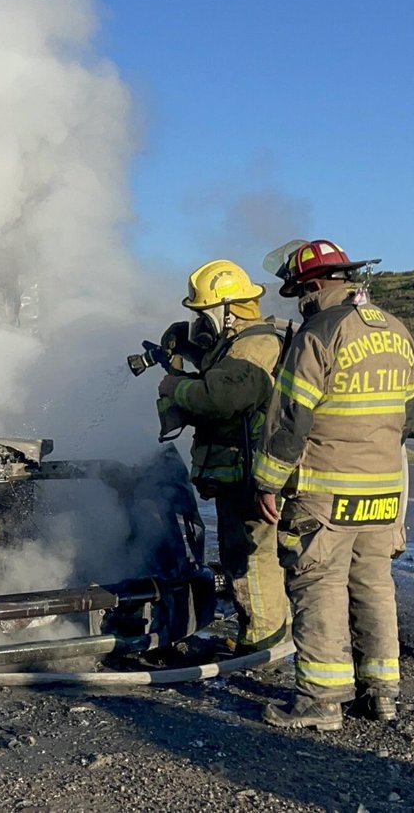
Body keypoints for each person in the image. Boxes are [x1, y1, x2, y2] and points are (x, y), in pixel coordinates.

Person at [252, 239, 414, 731]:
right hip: (383, 490)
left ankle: (321, 701)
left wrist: (267, 482)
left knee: (318, 582)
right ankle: (381, 694)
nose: (300, 304)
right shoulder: (397, 330)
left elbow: (290, 418)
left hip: (325, 490)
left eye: (300, 293)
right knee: (374, 584)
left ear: (315, 286)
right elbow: (406, 416)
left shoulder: (319, 333)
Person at [155, 259, 291, 656]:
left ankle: (261, 645)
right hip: (241, 471)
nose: (200, 322)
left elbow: (222, 397)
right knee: (242, 553)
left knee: (251, 557)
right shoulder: (237, 342)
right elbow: (218, 369)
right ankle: (265, 634)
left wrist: (175, 387)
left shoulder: (254, 345)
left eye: (203, 314)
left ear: (226, 310)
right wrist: (183, 344)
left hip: (252, 472)